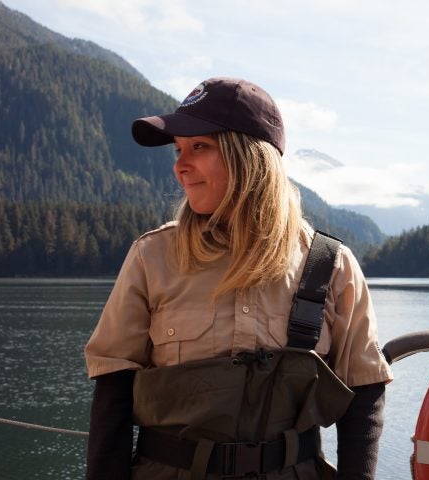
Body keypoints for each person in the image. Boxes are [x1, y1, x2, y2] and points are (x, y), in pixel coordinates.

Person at [84, 77, 393, 480]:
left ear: (249, 157)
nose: (180, 165)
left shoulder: (331, 265)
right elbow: (114, 389)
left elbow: (364, 394)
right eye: (178, 149)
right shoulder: (151, 256)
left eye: (199, 146)